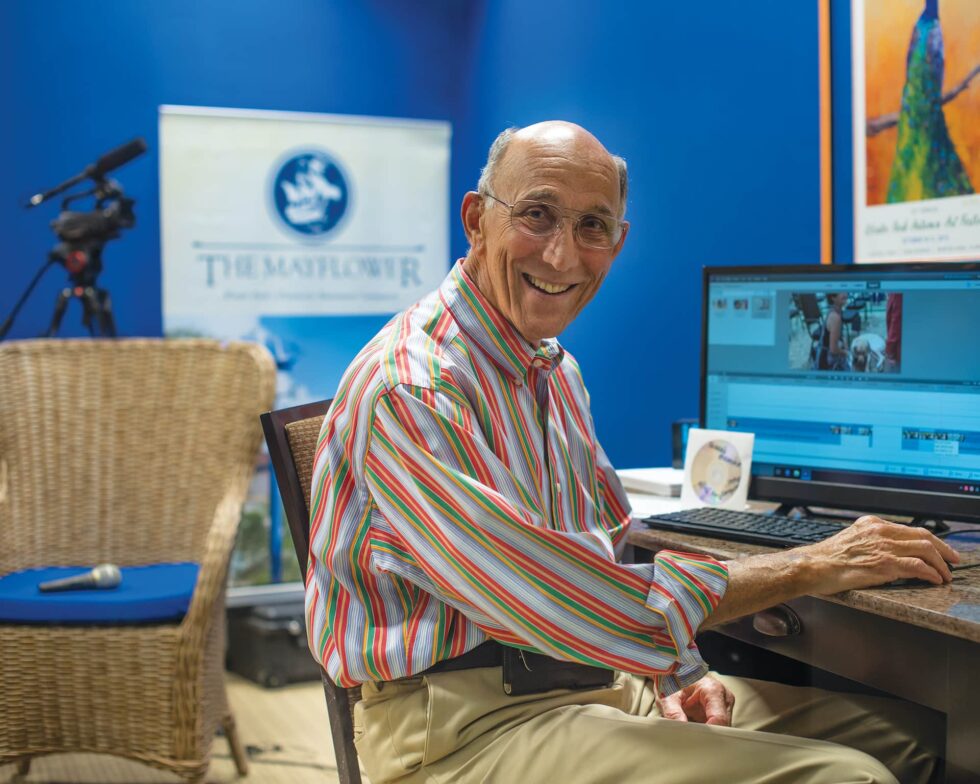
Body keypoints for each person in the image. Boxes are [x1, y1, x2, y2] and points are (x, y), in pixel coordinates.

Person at [307, 121, 958, 784]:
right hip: (461, 731)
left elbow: (609, 546)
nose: (562, 256)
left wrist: (675, 667)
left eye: (593, 226)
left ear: (618, 243)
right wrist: (811, 565)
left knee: (921, 740)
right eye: (536, 214)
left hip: (591, 681)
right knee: (849, 777)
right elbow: (556, 595)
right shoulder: (412, 386)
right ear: (477, 220)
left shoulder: (554, 372)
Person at [812, 292, 849, 370]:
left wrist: (844, 341)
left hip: (825, 354)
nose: (845, 294)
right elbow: (833, 349)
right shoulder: (835, 317)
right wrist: (846, 353)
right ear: (833, 298)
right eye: (841, 293)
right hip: (826, 361)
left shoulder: (835, 311)